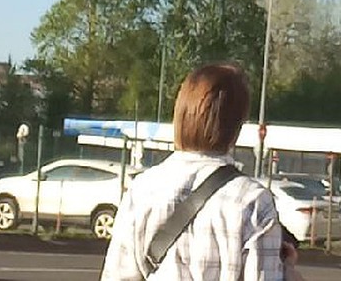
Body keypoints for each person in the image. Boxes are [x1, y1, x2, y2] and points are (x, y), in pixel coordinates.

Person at [101, 62, 291, 281]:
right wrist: (290, 273)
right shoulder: (253, 201)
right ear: (236, 127)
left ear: (181, 116)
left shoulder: (141, 190)